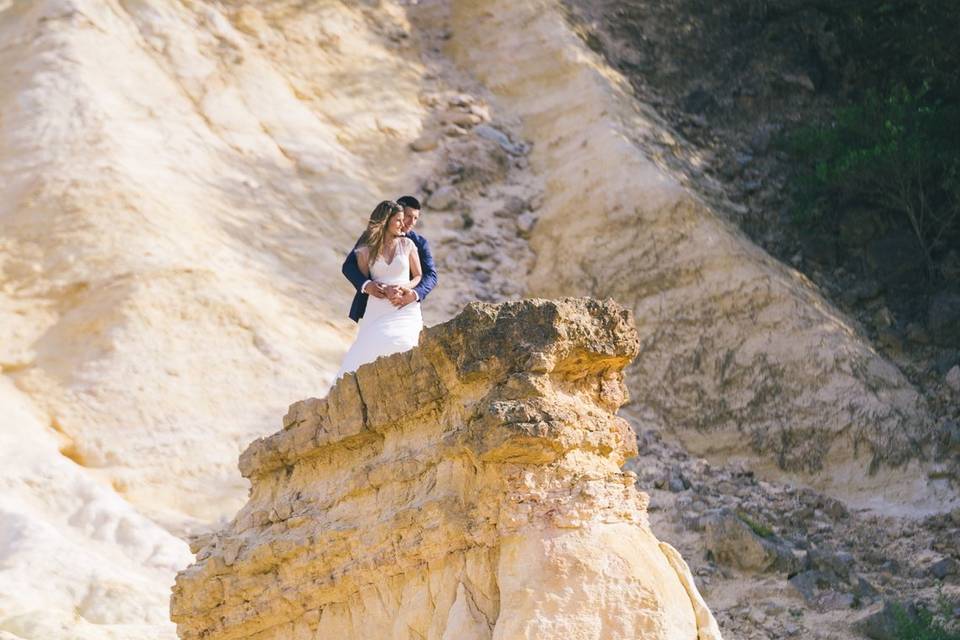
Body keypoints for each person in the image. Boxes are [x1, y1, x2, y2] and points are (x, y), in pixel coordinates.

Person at [337, 197, 437, 377]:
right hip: (376, 304)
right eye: (406, 216)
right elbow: (349, 267)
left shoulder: (416, 243)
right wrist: (369, 286)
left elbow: (430, 276)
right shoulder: (370, 239)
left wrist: (412, 293)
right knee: (368, 352)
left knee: (406, 345)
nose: (409, 223)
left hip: (405, 304)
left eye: (415, 219)